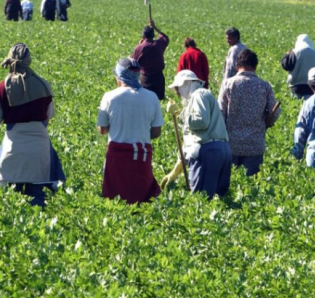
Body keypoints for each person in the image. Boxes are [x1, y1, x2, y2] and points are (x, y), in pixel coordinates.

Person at [0, 43, 66, 207]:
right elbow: (49, 117)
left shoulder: (1, 88)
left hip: (13, 148)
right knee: (39, 199)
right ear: (29, 61)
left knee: (11, 202)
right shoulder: (44, 85)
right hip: (40, 148)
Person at [97, 58, 164, 204]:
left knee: (116, 198)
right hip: (141, 155)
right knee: (141, 197)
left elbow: (102, 130)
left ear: (119, 76)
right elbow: (156, 132)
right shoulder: (151, 97)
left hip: (117, 156)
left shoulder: (110, 97)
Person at [161, 70, 231, 198]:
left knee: (202, 200)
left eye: (178, 88)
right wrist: (175, 171)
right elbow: (191, 138)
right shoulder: (201, 96)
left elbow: (201, 121)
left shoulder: (198, 95)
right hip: (221, 149)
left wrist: (180, 114)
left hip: (208, 152)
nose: (178, 93)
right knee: (220, 198)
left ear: (186, 83)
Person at [219, 49, 279, 176]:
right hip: (255, 145)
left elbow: (220, 113)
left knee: (231, 183)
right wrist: (266, 124)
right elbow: (275, 112)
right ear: (255, 66)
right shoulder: (264, 86)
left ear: (237, 66)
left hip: (231, 144)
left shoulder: (228, 84)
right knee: (251, 186)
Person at [131, 20, 169, 101]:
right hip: (159, 79)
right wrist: (155, 27)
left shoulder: (139, 48)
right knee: (159, 102)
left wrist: (140, 44)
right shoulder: (159, 44)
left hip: (145, 80)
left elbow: (132, 63)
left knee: (146, 102)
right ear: (153, 36)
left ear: (143, 37)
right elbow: (165, 38)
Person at [281, 34, 315, 100]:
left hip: (296, 86)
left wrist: (286, 55)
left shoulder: (295, 52)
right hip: (311, 86)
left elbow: (286, 66)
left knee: (296, 107)